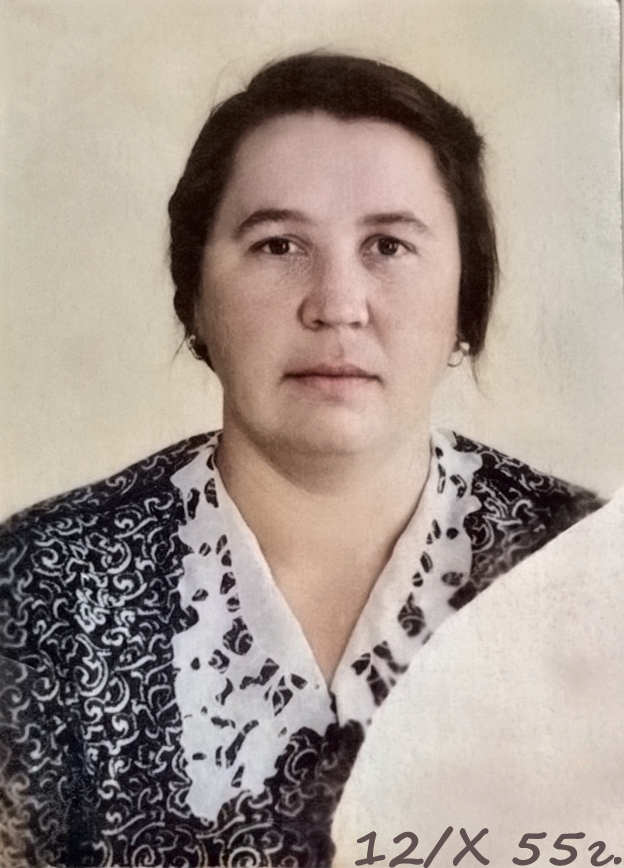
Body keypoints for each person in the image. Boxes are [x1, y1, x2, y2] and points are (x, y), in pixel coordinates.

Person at [0, 52, 602, 868]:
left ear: (467, 300)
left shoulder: (586, 573)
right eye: (279, 244)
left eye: (388, 245)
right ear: (194, 295)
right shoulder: (38, 588)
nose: (337, 305)